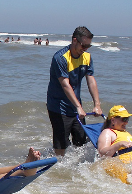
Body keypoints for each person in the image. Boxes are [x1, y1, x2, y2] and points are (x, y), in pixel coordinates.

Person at [46, 26, 103, 156]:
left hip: (76, 106)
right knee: (61, 146)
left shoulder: (87, 57)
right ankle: (58, 169)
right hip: (58, 107)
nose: (86, 49)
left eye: (89, 46)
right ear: (75, 40)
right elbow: (65, 85)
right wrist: (78, 107)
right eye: (84, 45)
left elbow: (91, 80)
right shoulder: (60, 58)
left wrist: (97, 105)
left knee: (81, 143)